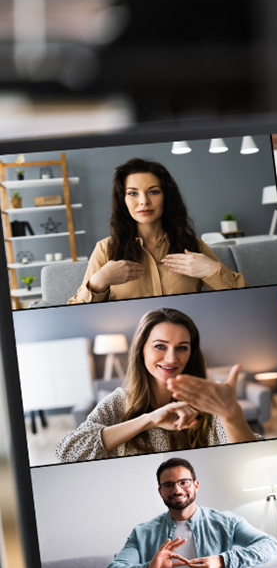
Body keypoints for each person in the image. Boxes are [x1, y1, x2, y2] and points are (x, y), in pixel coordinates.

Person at [57, 307, 258, 461]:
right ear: (141, 350)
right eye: (160, 346)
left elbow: (250, 457)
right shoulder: (118, 402)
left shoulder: (205, 404)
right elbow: (67, 452)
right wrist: (149, 420)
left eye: (182, 348)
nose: (171, 358)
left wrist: (232, 415)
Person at [104, 457, 277, 568]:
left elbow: (273, 546)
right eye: (168, 485)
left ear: (196, 485)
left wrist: (222, 561)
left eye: (184, 482)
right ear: (160, 492)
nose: (177, 490)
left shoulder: (227, 522)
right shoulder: (142, 532)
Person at [69, 157, 246, 304]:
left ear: (166, 197)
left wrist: (211, 270)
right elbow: (75, 311)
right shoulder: (105, 249)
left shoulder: (193, 246)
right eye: (133, 193)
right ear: (123, 200)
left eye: (153, 192)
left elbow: (243, 299)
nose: (144, 201)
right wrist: (99, 281)